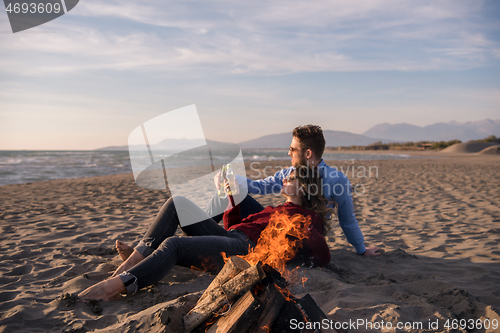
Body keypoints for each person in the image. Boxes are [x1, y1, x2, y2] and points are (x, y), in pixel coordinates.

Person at [78, 166, 332, 301]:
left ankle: (116, 286)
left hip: (244, 250)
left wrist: (304, 258)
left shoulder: (308, 218)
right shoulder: (278, 208)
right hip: (233, 237)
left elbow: (322, 253)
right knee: (177, 203)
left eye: (290, 178)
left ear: (306, 187)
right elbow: (234, 224)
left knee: (174, 245)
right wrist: (229, 195)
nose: (284, 180)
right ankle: (133, 260)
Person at [206, 124, 381, 257]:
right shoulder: (288, 173)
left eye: (292, 150)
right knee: (224, 194)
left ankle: (207, 239)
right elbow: (260, 186)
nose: (288, 153)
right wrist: (231, 182)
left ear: (308, 153)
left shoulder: (337, 180)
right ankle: (199, 232)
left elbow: (347, 219)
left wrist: (361, 250)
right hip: (279, 223)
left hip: (301, 238)